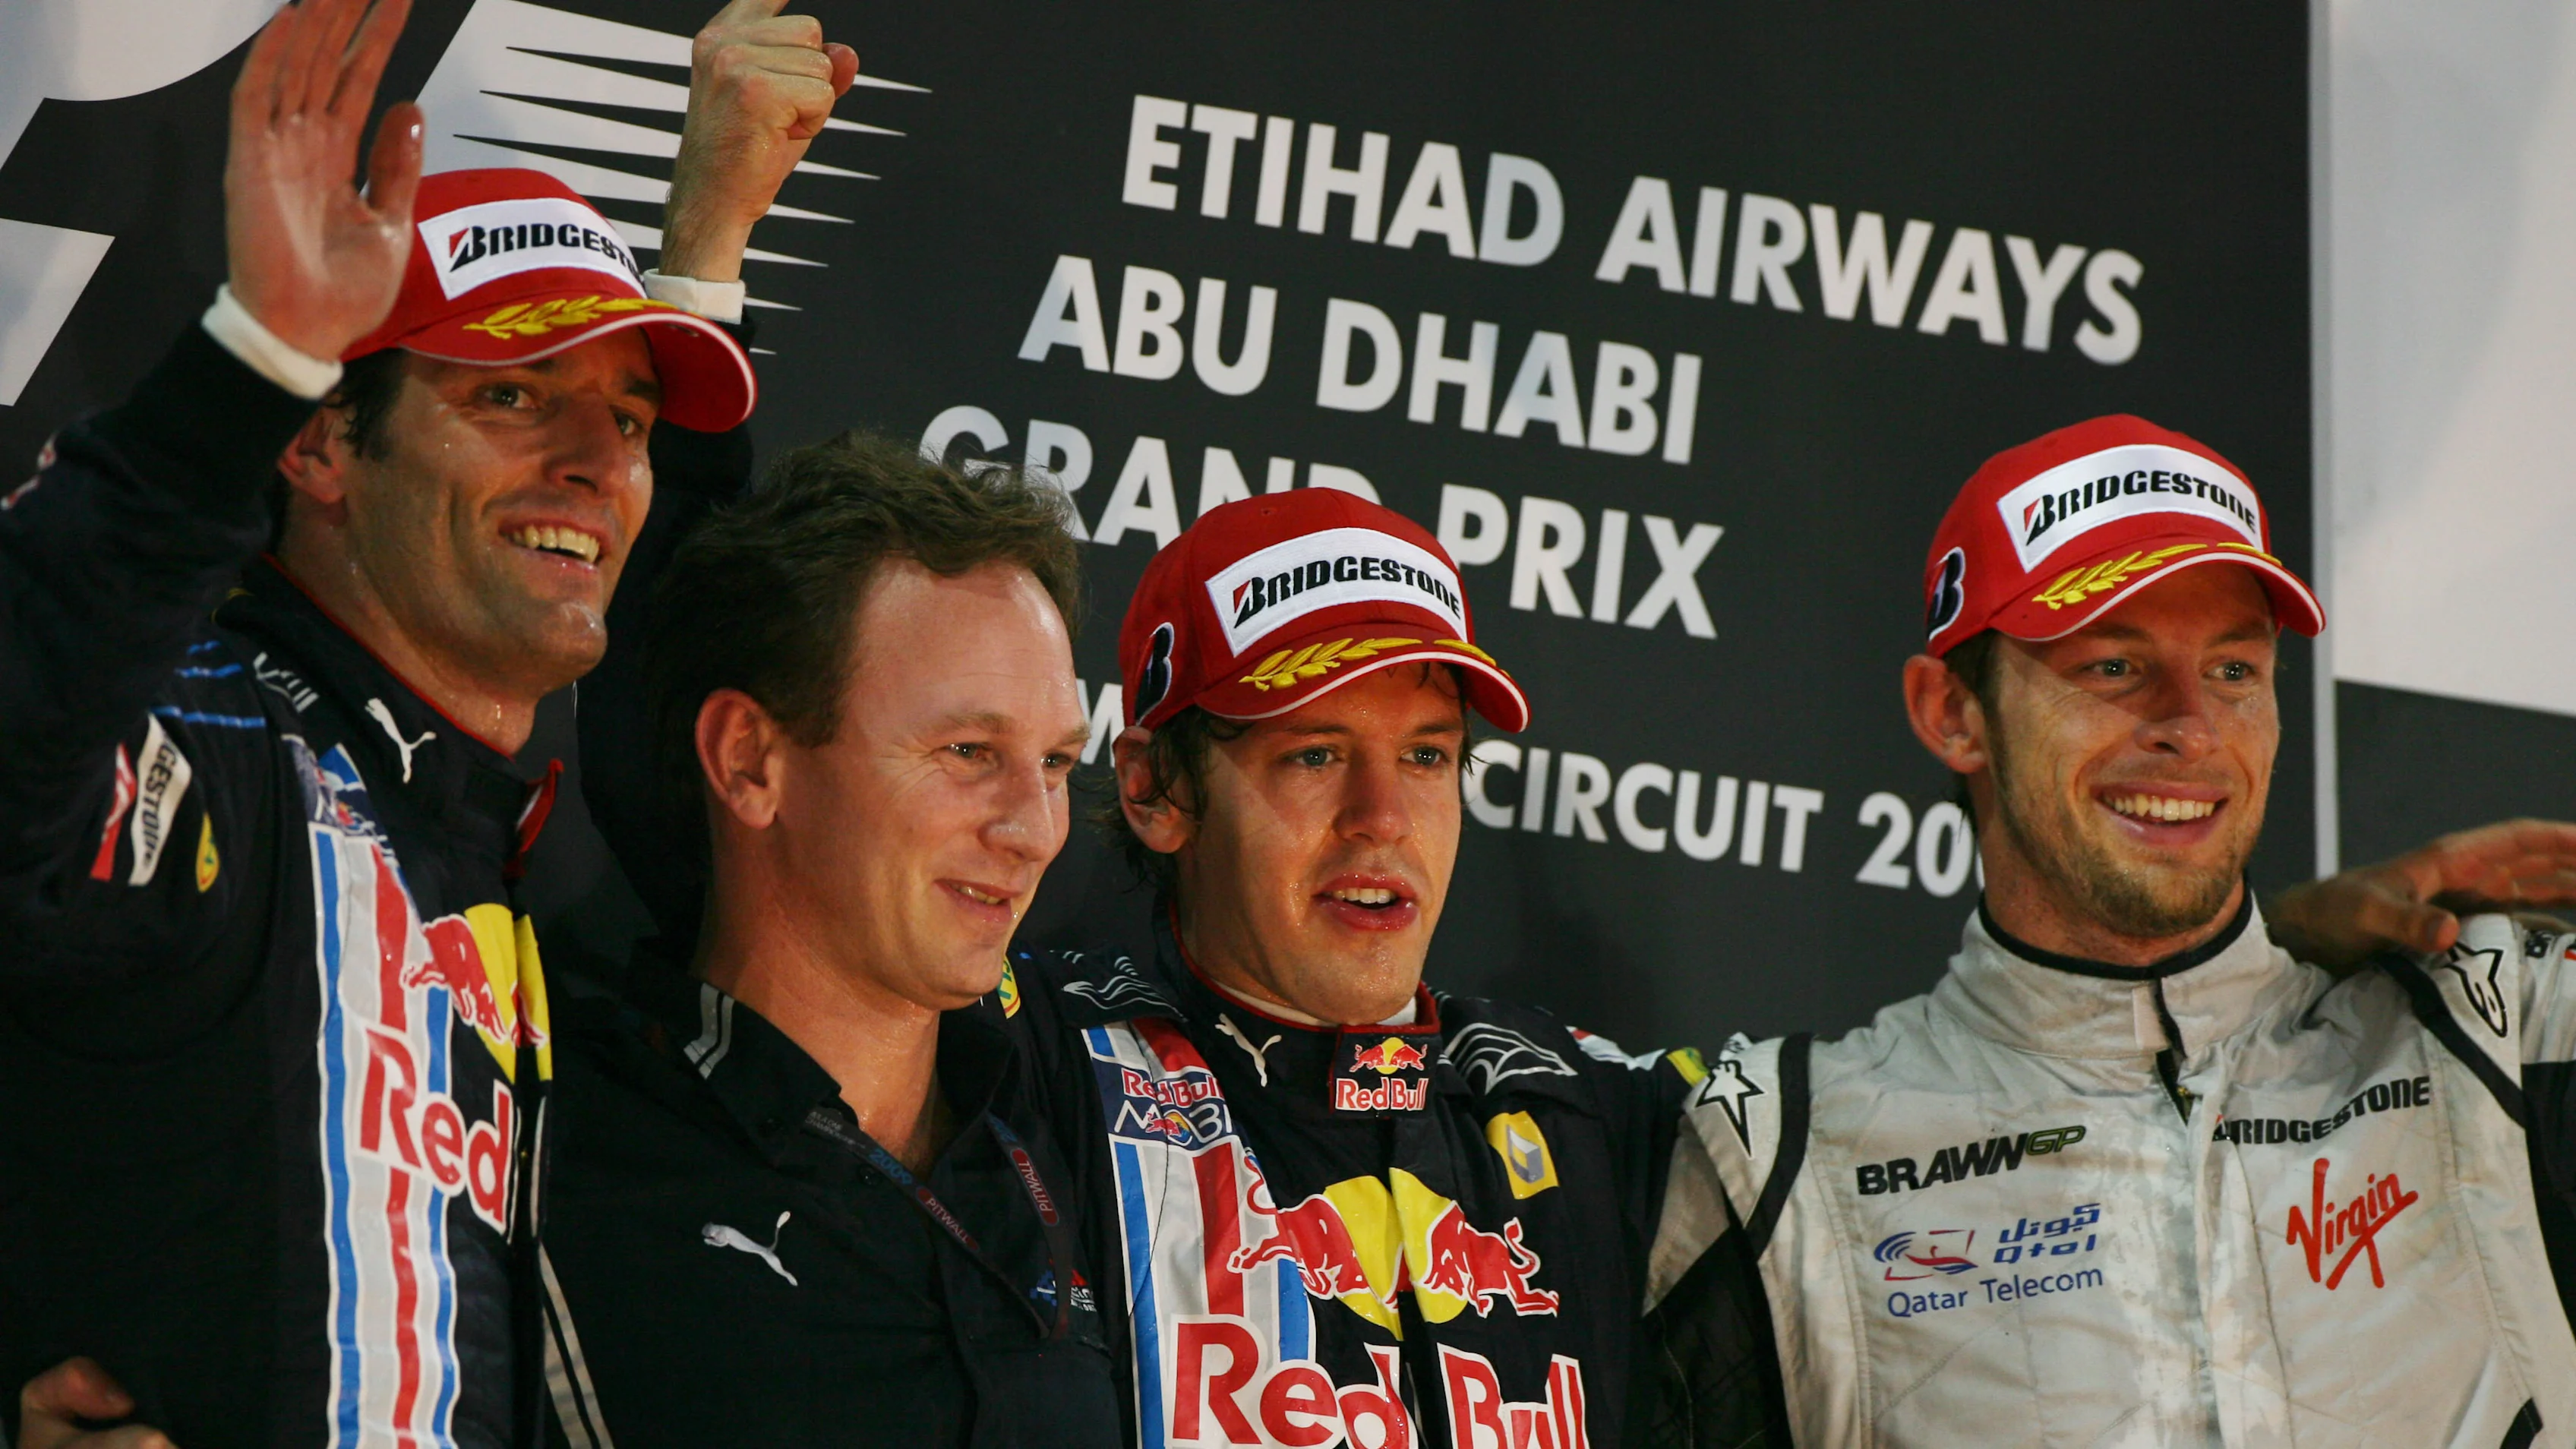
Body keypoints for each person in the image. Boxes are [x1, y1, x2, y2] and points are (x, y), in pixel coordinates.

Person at [0, 0, 849, 1441]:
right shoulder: (217, 746)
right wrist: (251, 356)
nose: (597, 462)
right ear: (322, 442)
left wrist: (702, 260)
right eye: (514, 394)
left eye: (632, 421)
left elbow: (694, 672)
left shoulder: (489, 833)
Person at [1639, 415, 2576, 1445]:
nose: (2192, 725)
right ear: (1952, 712)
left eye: (2233, 671)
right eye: (2113, 669)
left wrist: (2281, 946)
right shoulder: (1781, 1158)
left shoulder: (2493, 1036)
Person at [532, 435, 1123, 1447]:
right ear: (750, 760)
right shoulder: (543, 1161)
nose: (1033, 830)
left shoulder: (1097, 1123)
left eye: (1059, 763)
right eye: (968, 752)